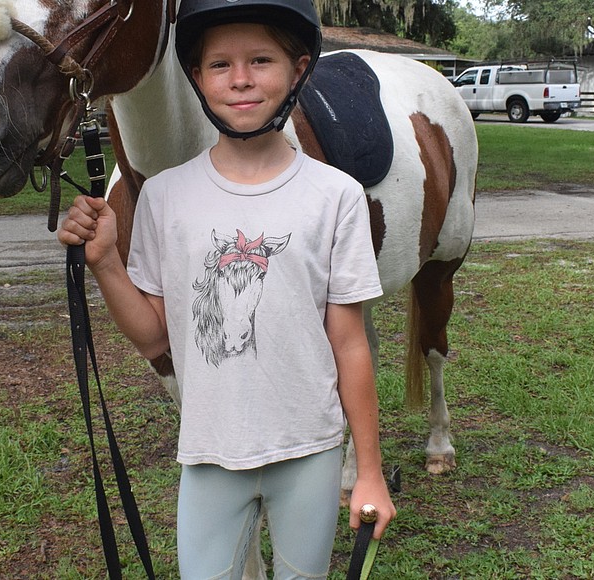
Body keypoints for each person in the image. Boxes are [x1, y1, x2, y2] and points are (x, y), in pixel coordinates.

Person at [58, 0, 395, 576]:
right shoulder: (164, 197)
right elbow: (152, 337)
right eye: (219, 65)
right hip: (209, 455)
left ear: (300, 69)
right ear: (196, 77)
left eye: (260, 60)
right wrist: (106, 262)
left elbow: (350, 342)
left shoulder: (337, 196)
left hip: (310, 452)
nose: (240, 79)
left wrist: (368, 468)